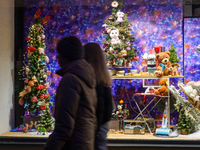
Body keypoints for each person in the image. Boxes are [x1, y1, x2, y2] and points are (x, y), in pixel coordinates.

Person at [44, 36, 97, 150]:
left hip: (73, 145)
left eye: (60, 53)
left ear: (66, 55)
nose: (57, 57)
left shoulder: (71, 80)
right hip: (84, 143)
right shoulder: (86, 77)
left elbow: (64, 126)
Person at [84, 43, 113, 150]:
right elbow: (108, 109)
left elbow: (100, 109)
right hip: (102, 127)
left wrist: (94, 127)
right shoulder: (103, 78)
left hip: (95, 128)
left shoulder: (92, 79)